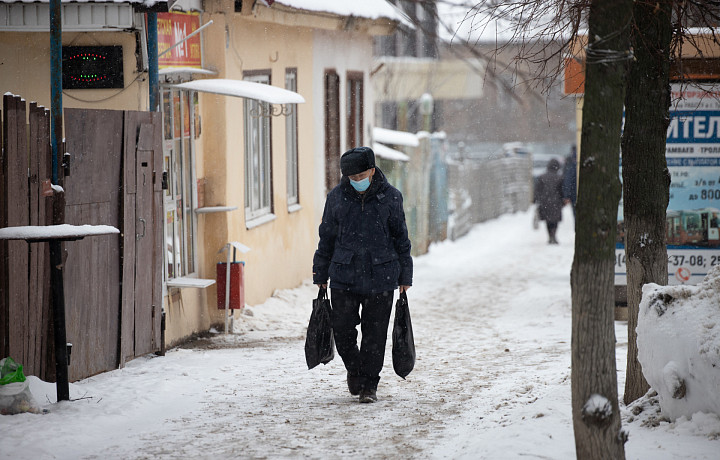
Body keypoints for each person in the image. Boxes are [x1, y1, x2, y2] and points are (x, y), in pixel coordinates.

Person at [313, 146, 413, 403]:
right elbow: (326, 237)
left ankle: (369, 384)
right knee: (343, 329)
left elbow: (401, 238)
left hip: (381, 275)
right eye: (352, 178)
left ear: (372, 170)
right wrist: (320, 272)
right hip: (344, 275)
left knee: (375, 334)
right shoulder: (336, 198)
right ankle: (355, 369)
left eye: (361, 176)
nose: (357, 181)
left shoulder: (391, 197)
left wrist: (405, 275)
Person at [535, 158, 564, 244]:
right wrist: (563, 199)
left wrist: (536, 199)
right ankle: (554, 235)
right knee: (555, 220)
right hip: (556, 201)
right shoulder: (560, 178)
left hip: (545, 201)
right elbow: (562, 190)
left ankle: (550, 236)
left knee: (548, 220)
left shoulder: (542, 177)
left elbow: (538, 190)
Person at [562, 145, 578, 222]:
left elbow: (568, 180)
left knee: (576, 214)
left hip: (574, 194)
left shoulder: (571, 165)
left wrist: (567, 195)